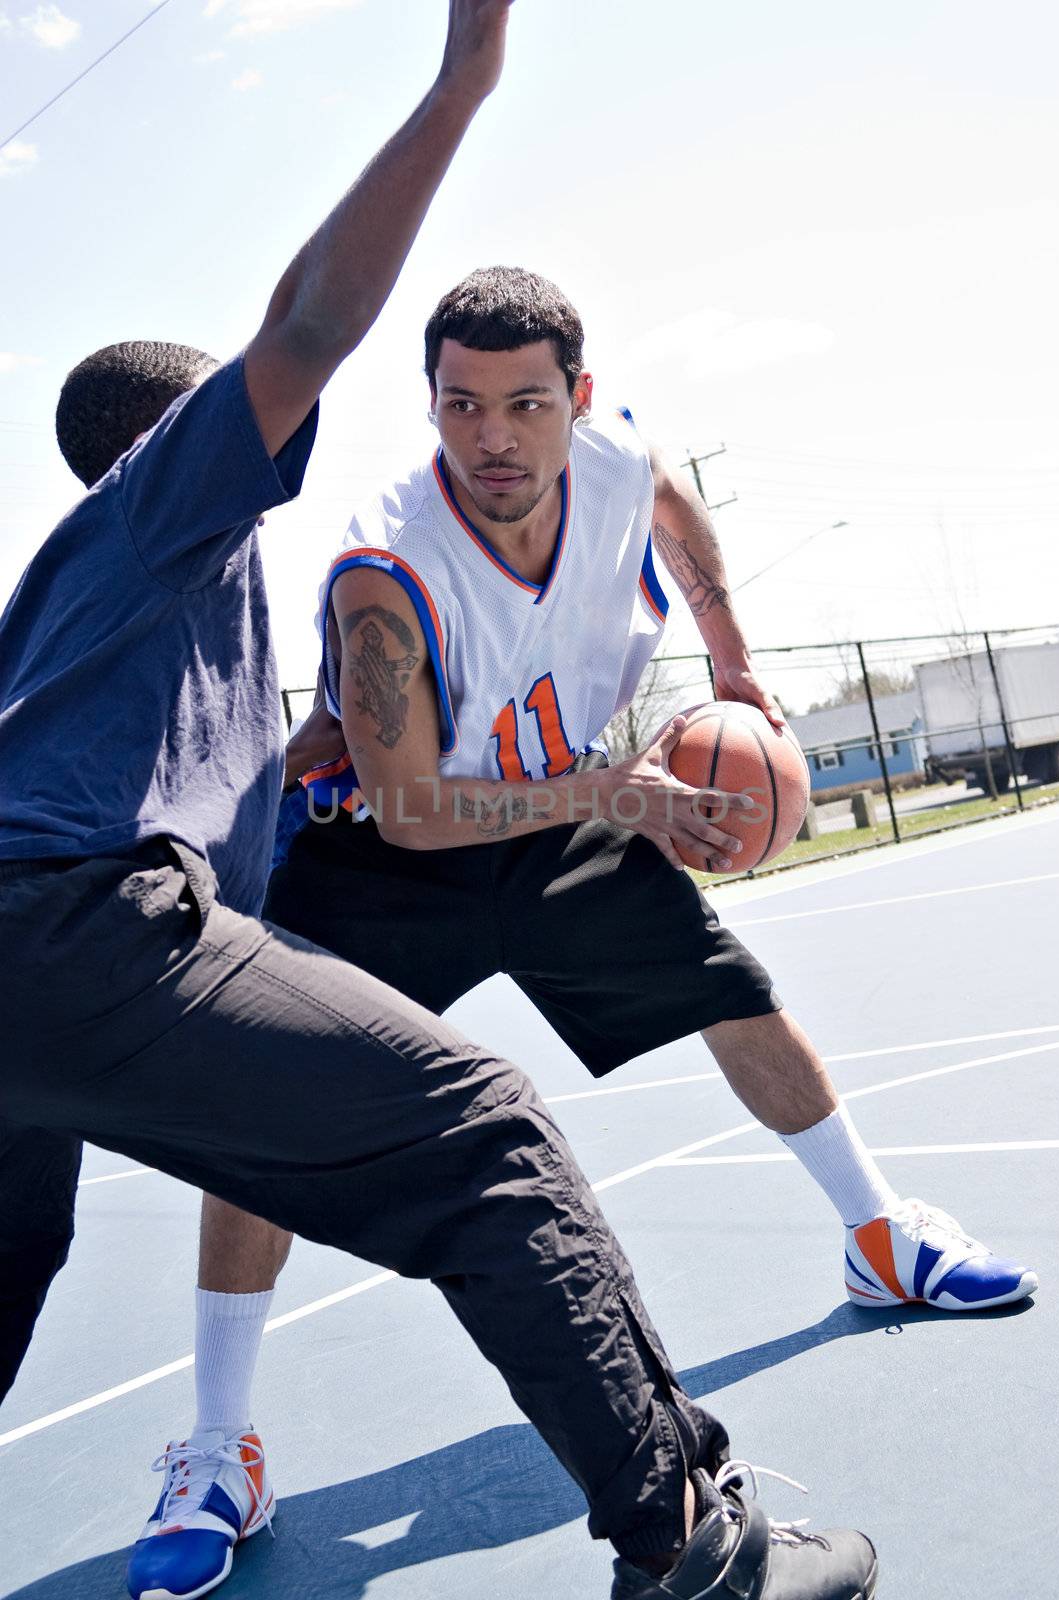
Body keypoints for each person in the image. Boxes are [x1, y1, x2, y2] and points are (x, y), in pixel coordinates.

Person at [0, 5, 881, 1600]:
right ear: (166, 443)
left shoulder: (93, 608)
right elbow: (320, 318)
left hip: (20, 979)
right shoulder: (171, 499)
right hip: (79, 930)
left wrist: (313, 757)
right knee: (487, 1135)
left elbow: (176, 792)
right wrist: (466, 75)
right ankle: (694, 1552)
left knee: (6, 1265)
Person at [139, 255, 1039, 1589]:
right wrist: (613, 789)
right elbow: (411, 804)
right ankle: (219, 1445)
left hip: (559, 809)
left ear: (579, 399)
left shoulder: (619, 462)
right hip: (381, 849)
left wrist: (731, 653)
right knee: (261, 1122)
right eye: (461, 406)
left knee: (729, 985)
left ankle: (878, 1236)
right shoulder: (386, 566)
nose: (494, 438)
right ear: (429, 404)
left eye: (524, 404)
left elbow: (672, 498)